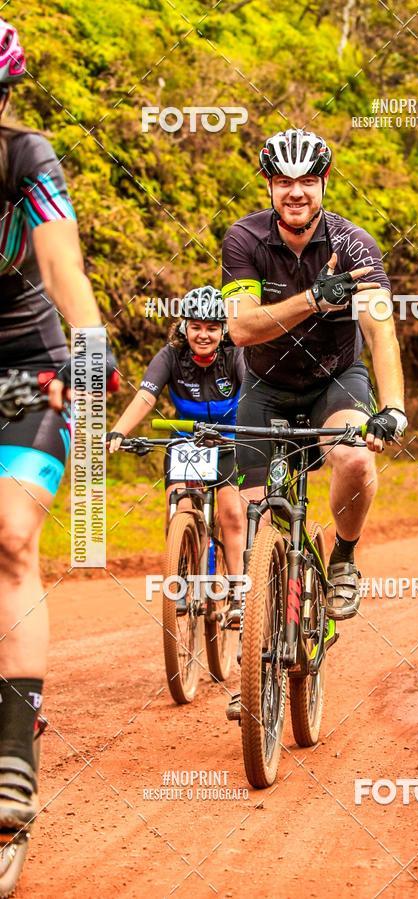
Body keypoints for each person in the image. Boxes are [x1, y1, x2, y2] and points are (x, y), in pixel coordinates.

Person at [0, 19, 116, 830]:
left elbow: (62, 264)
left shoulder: (25, 158)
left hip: (25, 363)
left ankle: (13, 752)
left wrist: (90, 351)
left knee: (9, 535)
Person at [222, 128, 407, 621]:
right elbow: (240, 328)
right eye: (283, 181)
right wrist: (315, 299)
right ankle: (256, 649)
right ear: (269, 186)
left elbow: (379, 329)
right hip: (266, 385)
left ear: (324, 182)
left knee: (354, 459)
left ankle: (343, 559)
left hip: (335, 381)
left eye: (306, 180)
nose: (296, 192)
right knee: (252, 513)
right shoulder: (245, 239)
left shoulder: (355, 244)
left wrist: (393, 409)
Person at [106, 287, 246, 603]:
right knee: (178, 508)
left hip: (228, 439)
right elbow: (145, 395)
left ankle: (239, 592)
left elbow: (252, 394)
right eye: (196, 326)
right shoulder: (171, 355)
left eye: (211, 327)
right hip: (186, 441)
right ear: (184, 326)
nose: (203, 335)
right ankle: (182, 571)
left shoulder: (235, 354)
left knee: (232, 515)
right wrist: (119, 431)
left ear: (223, 329)